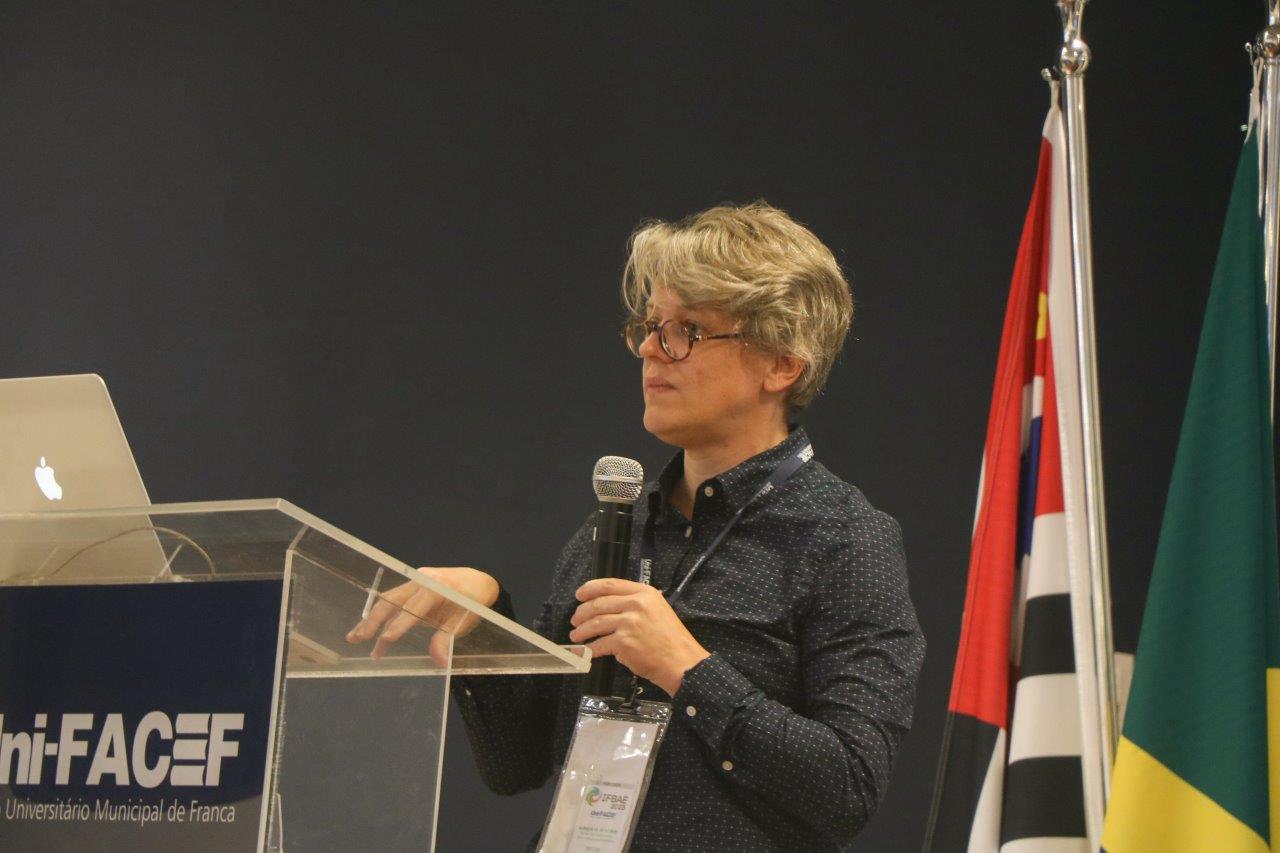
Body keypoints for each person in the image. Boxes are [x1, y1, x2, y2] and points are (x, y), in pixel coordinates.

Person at [347, 202, 925, 850]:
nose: (651, 348)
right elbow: (518, 765)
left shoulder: (845, 540)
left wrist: (687, 669)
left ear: (781, 364)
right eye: (650, 327)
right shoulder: (617, 526)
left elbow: (848, 787)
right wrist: (483, 623)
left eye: (687, 331)